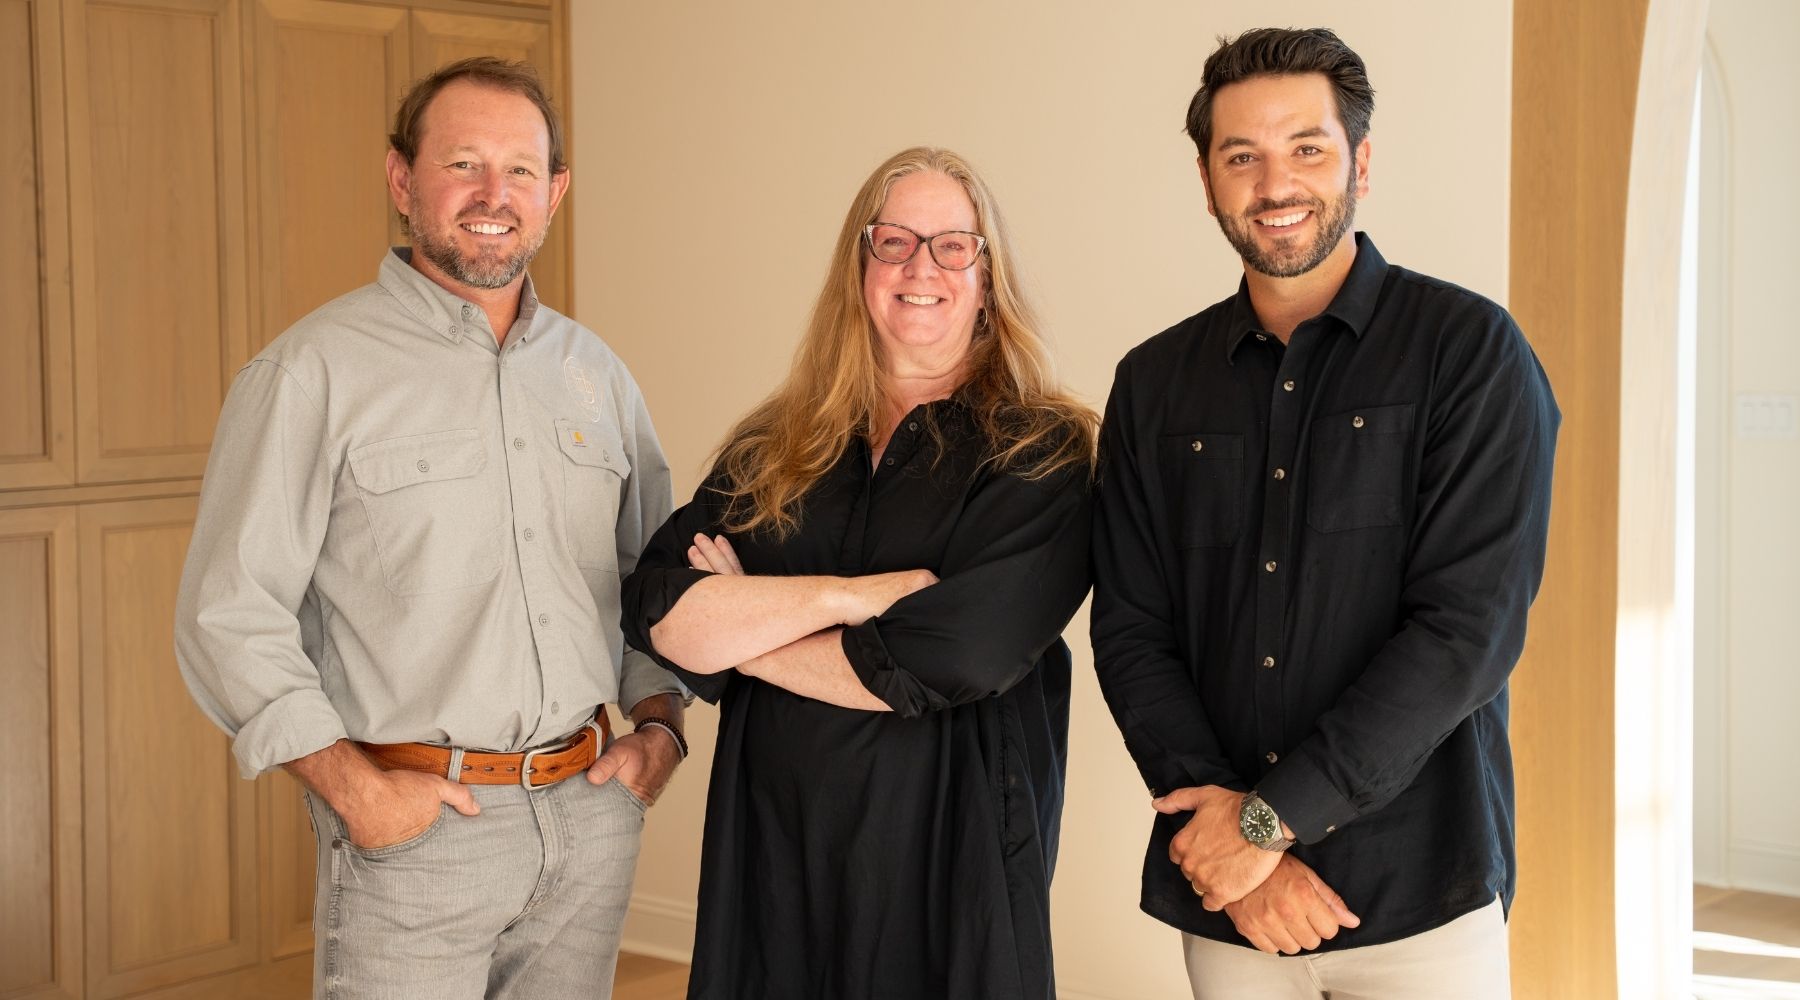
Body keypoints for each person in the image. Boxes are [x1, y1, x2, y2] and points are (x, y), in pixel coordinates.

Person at [173, 57, 688, 999]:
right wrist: (354, 792)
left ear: (555, 192)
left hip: (589, 821)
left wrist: (660, 724)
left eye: (522, 171)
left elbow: (648, 582)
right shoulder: (309, 374)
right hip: (415, 834)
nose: (495, 195)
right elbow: (226, 615)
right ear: (403, 181)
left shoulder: (598, 375)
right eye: (463, 164)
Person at [1090, 27, 1559, 999]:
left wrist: (1267, 824)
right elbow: (1133, 630)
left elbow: (1465, 630)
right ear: (1207, 177)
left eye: (1307, 147)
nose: (1276, 183)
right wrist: (1228, 845)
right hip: (1228, 901)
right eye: (1242, 156)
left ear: (1362, 160)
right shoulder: (1153, 383)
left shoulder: (1470, 352)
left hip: (1422, 891)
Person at [620, 146, 1095, 1000]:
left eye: (954, 245)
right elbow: (658, 606)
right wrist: (848, 599)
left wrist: (748, 629)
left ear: (987, 277)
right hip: (777, 856)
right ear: (860, 265)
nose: (923, 266)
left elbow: (950, 656)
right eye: (895, 242)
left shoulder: (1043, 451)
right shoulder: (776, 449)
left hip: (954, 865)